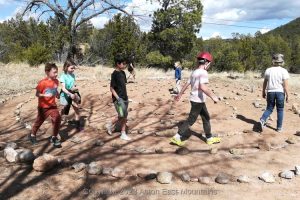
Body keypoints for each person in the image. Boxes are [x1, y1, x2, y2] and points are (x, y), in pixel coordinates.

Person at [170, 52, 221, 146]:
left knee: (206, 118)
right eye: (210, 64)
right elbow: (203, 87)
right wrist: (213, 96)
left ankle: (209, 138)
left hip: (196, 100)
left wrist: (180, 94)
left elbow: (187, 83)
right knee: (191, 119)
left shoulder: (195, 71)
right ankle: (177, 137)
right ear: (207, 63)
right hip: (198, 101)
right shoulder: (203, 72)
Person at [29, 63, 62, 147]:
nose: (56, 74)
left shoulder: (56, 81)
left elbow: (54, 89)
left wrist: (57, 94)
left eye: (57, 72)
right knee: (39, 122)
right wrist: (44, 95)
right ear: (47, 72)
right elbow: (37, 94)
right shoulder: (42, 83)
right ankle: (32, 135)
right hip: (43, 107)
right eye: (54, 72)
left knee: (57, 118)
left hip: (53, 106)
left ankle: (54, 137)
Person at [259, 53, 289, 132]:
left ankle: (262, 119)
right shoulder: (284, 71)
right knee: (280, 110)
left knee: (269, 108)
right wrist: (288, 95)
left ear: (273, 61)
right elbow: (285, 86)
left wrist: (263, 91)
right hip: (280, 93)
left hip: (270, 92)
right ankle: (279, 128)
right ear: (281, 62)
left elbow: (265, 82)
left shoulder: (268, 70)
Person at [106, 54, 131, 141]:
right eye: (123, 64)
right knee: (123, 116)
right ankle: (123, 134)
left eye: (125, 64)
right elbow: (111, 88)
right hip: (118, 100)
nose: (125, 65)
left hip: (125, 98)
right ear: (118, 64)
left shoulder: (123, 73)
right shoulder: (114, 74)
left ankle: (110, 124)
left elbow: (124, 84)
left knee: (123, 115)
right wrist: (118, 99)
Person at [59, 59, 82, 131]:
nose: (73, 69)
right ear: (66, 67)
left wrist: (75, 90)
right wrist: (69, 94)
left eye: (74, 68)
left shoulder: (73, 75)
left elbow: (72, 85)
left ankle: (78, 125)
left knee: (76, 109)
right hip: (65, 94)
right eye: (71, 68)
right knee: (63, 110)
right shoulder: (63, 76)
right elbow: (63, 88)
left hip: (72, 93)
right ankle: (57, 124)